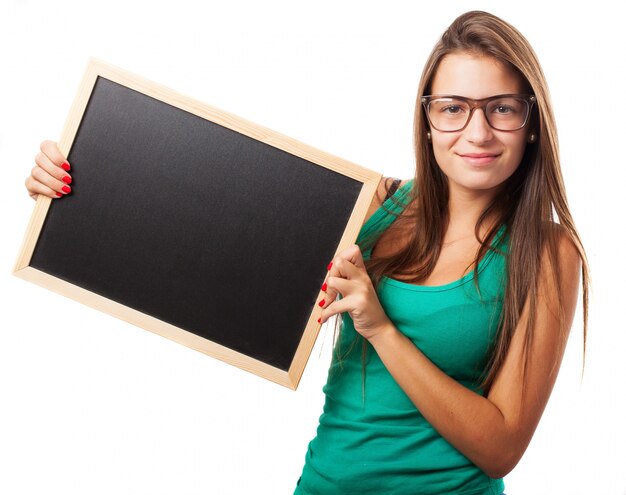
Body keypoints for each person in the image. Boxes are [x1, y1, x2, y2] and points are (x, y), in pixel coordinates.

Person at [25, 10, 589, 495]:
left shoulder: (547, 252)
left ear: (531, 121)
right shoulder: (372, 208)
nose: (478, 131)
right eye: (453, 108)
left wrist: (381, 329)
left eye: (502, 108)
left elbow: (502, 446)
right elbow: (191, 216)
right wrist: (73, 178)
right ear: (428, 117)